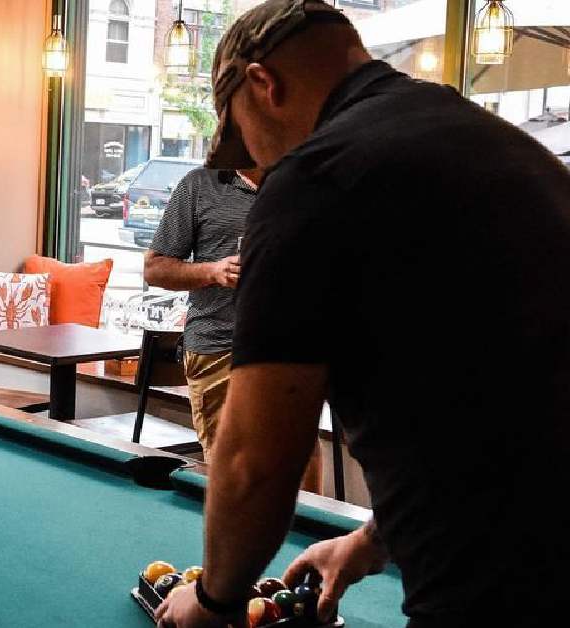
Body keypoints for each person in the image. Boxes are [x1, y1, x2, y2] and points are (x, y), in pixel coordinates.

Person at [156, 1, 570, 627]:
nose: (257, 165)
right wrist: (375, 539)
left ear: (263, 84)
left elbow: (256, 459)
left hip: (505, 586)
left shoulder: (314, 178)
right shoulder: (496, 144)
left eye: (243, 136)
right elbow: (497, 388)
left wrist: (215, 599)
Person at [143, 166, 322, 492]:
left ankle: (305, 541)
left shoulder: (303, 181)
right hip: (218, 348)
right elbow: (155, 269)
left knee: (301, 466)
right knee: (237, 478)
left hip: (291, 348)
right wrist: (213, 271)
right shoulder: (200, 185)